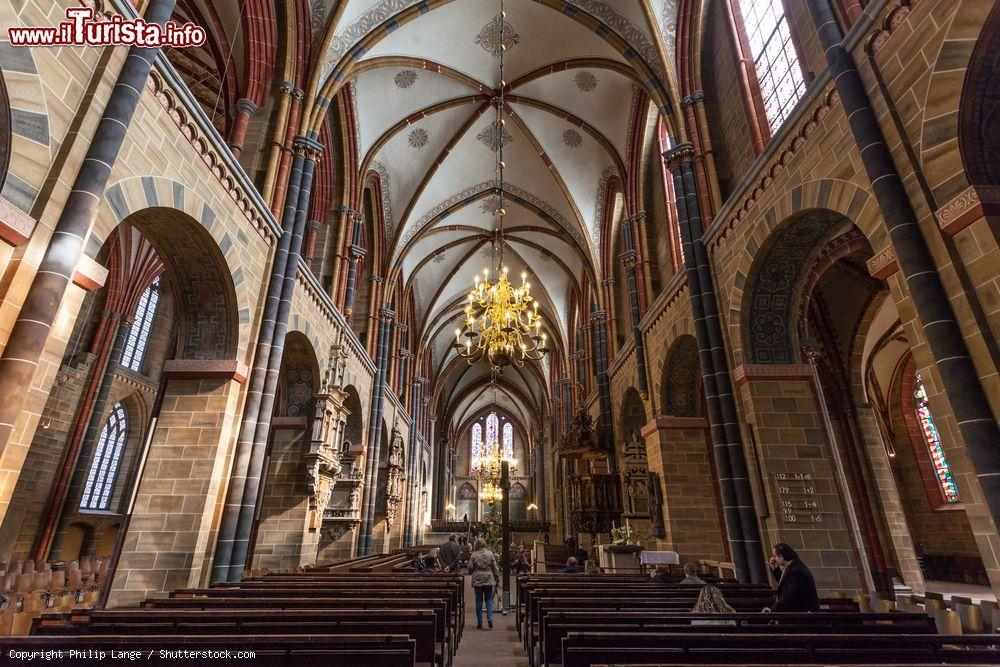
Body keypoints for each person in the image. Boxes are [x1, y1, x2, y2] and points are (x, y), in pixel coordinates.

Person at [768, 543, 820, 612]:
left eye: (775, 556)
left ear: (781, 556)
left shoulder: (797, 571)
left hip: (802, 618)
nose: (773, 559)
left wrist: (772, 611)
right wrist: (775, 569)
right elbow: (786, 584)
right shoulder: (793, 567)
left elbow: (790, 597)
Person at [468, 538, 501, 629]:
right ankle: (489, 617)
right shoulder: (490, 554)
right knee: (489, 599)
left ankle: (479, 622)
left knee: (478, 600)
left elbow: (470, 567)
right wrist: (497, 577)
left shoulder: (474, 554)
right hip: (488, 578)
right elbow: (495, 568)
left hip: (477, 578)